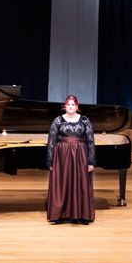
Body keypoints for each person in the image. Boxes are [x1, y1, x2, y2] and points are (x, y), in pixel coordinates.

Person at [46, 95, 95, 225]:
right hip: (61, 157)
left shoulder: (84, 120)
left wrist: (91, 161)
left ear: (77, 107)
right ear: (65, 107)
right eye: (68, 104)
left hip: (81, 156)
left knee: (81, 183)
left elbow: (91, 141)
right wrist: (50, 161)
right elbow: (51, 141)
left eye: (73, 104)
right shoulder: (58, 120)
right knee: (62, 183)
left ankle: (82, 215)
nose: (71, 107)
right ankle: (59, 215)